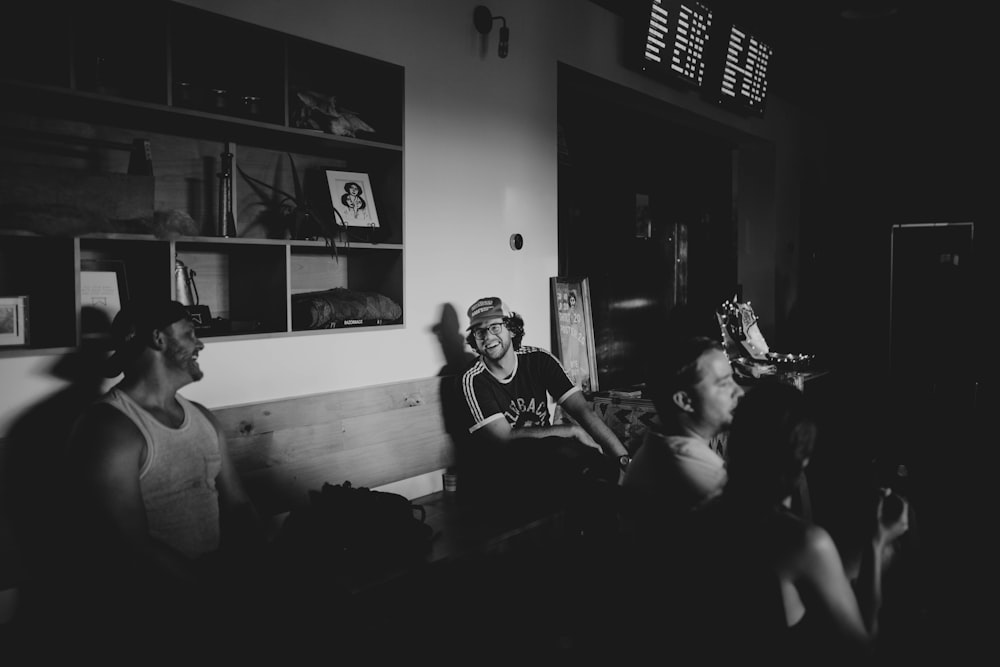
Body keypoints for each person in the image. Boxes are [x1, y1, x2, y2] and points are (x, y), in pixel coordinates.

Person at [60, 299, 267, 658]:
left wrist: (257, 572)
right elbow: (130, 547)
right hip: (153, 607)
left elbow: (238, 503)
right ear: (157, 339)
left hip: (215, 583)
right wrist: (216, 597)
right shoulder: (109, 429)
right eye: (190, 334)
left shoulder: (201, 417)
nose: (200, 344)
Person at [647, 382, 910, 665]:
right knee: (889, 553)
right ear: (805, 460)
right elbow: (862, 650)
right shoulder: (804, 542)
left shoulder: (697, 517)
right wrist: (877, 541)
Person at [458, 296, 629, 509]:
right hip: (503, 474)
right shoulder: (473, 378)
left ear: (511, 329)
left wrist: (623, 460)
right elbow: (504, 438)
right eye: (479, 331)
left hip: (550, 456)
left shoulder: (539, 360)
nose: (487, 336)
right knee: (583, 476)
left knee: (598, 470)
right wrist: (571, 431)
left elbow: (583, 411)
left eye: (495, 327)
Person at [621, 336, 744, 531]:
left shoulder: (662, 445)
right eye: (723, 384)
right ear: (685, 401)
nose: (739, 392)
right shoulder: (691, 470)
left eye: (733, 380)